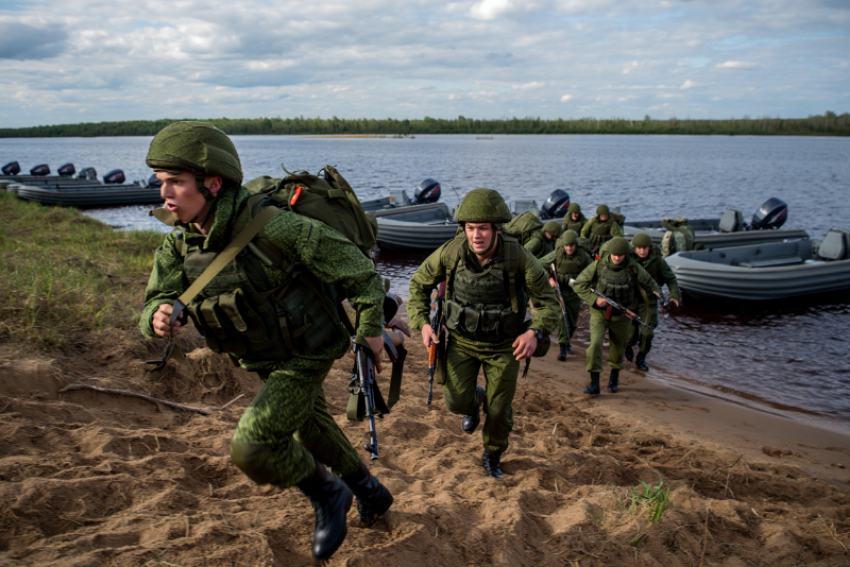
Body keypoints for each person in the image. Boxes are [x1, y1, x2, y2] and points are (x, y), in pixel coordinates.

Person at [138, 121, 392, 562]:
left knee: (254, 445)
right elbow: (154, 300)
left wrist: (370, 328)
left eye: (176, 182)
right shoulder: (179, 245)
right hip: (259, 355)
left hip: (308, 349)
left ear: (212, 184)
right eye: (162, 183)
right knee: (310, 427)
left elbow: (359, 271)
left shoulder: (276, 227)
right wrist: (157, 317)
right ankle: (372, 492)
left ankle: (329, 494)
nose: (165, 194)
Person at [407, 188, 559, 479]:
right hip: (461, 342)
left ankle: (492, 453)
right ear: (463, 228)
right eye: (470, 228)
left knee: (499, 409)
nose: (476, 235)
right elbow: (418, 284)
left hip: (504, 345)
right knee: (455, 402)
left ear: (496, 229)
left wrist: (535, 332)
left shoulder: (519, 258)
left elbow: (549, 304)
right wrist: (422, 323)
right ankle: (474, 401)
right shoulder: (451, 252)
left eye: (483, 228)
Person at [571, 237, 660, 395]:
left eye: (621, 255)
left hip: (622, 314)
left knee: (618, 348)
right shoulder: (599, 264)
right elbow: (579, 284)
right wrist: (594, 299)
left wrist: (659, 292)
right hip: (600, 312)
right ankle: (595, 382)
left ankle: (614, 379)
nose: (617, 258)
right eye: (614, 255)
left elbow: (649, 282)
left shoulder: (633, 267)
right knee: (595, 345)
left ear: (626, 254)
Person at [625, 233, 680, 371]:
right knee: (630, 334)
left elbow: (670, 278)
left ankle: (641, 357)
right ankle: (628, 345)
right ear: (634, 248)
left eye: (645, 248)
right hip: (630, 300)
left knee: (647, 332)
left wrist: (674, 295)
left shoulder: (657, 262)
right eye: (639, 248)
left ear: (650, 248)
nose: (642, 251)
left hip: (649, 301)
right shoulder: (627, 258)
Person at [539, 229, 592, 361]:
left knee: (573, 322)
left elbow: (594, 269)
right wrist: (549, 279)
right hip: (559, 291)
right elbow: (540, 264)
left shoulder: (583, 255)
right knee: (563, 318)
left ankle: (567, 341)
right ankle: (563, 348)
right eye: (566, 245)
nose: (569, 248)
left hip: (575, 292)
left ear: (575, 245)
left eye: (571, 245)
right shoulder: (558, 253)